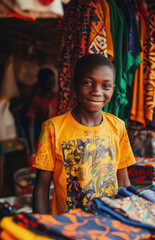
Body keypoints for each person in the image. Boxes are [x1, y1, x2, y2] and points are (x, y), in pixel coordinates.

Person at [32, 54, 135, 215]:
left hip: (110, 221)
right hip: (68, 225)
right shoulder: (53, 128)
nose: (96, 91)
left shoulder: (118, 127)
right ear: (75, 86)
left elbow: (123, 181)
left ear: (113, 89)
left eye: (106, 86)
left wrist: (129, 217)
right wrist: (43, 228)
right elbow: (41, 188)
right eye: (88, 83)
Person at [26, 67, 58, 154]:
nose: (52, 84)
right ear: (41, 82)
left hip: (59, 138)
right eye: (49, 81)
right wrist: (32, 150)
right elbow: (30, 125)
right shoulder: (35, 99)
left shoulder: (59, 97)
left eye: (53, 81)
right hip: (43, 139)